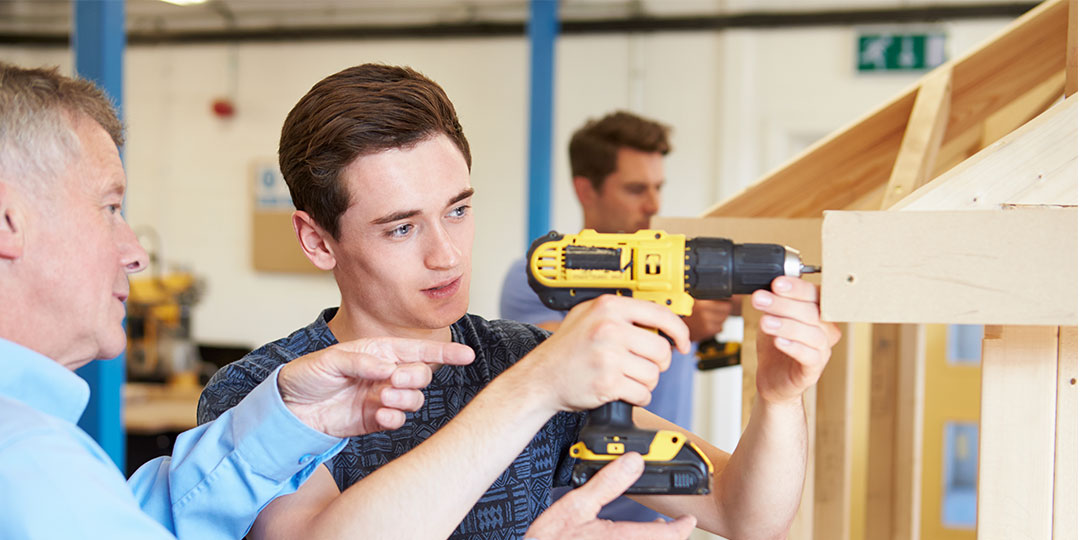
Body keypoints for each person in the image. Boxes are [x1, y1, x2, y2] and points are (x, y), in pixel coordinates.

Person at [0, 62, 686, 540]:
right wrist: (533, 390)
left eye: (457, 211)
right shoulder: (29, 463)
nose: (136, 250)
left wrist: (279, 419)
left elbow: (159, 515)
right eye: (110, 207)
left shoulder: (50, 448)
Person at [199, 63, 841, 540]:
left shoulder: (521, 354)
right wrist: (535, 388)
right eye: (401, 227)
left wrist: (780, 400)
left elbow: (742, 510)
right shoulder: (259, 394)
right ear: (318, 240)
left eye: (458, 210)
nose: (446, 254)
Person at [498, 111, 735, 522]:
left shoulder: (674, 272)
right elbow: (566, 354)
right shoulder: (536, 277)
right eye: (635, 189)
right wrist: (671, 325)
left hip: (666, 511)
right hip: (577, 519)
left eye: (658, 187)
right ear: (585, 190)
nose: (654, 205)